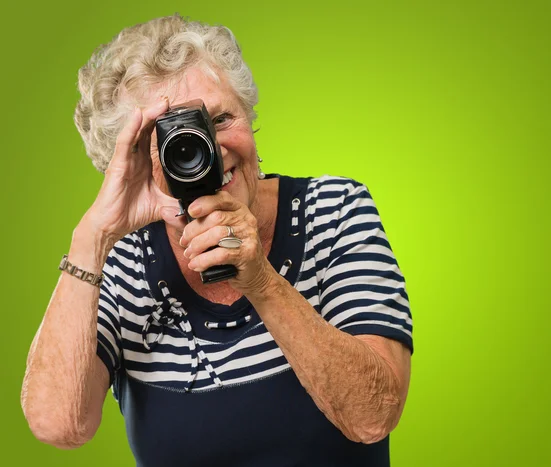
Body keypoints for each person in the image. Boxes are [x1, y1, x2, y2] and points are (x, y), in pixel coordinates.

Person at [21, 14, 413, 467]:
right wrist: (92, 236)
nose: (207, 149)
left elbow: (373, 417)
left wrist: (261, 282)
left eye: (220, 119)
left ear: (249, 116)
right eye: (171, 139)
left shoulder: (334, 209)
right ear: (127, 164)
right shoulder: (122, 262)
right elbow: (59, 425)